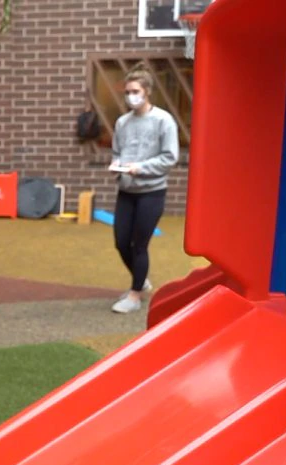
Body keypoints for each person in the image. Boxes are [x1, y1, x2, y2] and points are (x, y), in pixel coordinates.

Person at [108, 66, 179, 314]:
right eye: (127, 92)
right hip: (126, 191)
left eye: (135, 91)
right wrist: (118, 165)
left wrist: (141, 167)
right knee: (120, 242)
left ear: (147, 91)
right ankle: (142, 279)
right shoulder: (122, 123)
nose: (131, 97)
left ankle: (135, 294)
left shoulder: (163, 120)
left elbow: (170, 157)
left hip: (152, 192)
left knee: (140, 245)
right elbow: (117, 151)